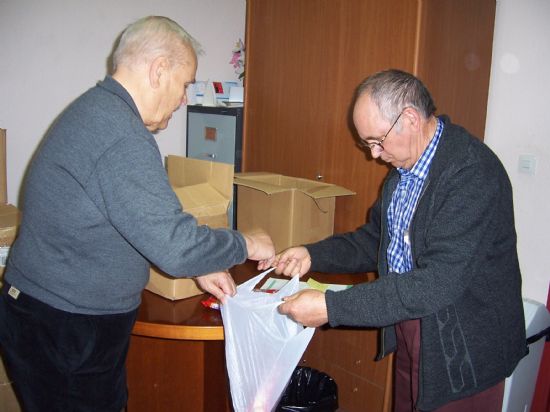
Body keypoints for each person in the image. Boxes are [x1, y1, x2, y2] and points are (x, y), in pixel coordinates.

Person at [0, 16, 274, 412]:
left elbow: (126, 221)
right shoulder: (121, 134)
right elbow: (175, 247)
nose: (183, 99)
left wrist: (200, 266)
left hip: (49, 319)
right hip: (65, 328)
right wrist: (246, 241)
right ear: (159, 70)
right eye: (184, 85)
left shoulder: (98, 110)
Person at [262, 69, 527, 411]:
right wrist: (313, 255)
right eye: (367, 143)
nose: (373, 154)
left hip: (465, 346)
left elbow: (436, 283)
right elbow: (377, 240)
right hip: (411, 323)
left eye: (377, 140)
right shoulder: (404, 171)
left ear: (411, 119)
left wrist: (331, 308)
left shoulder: (471, 173)